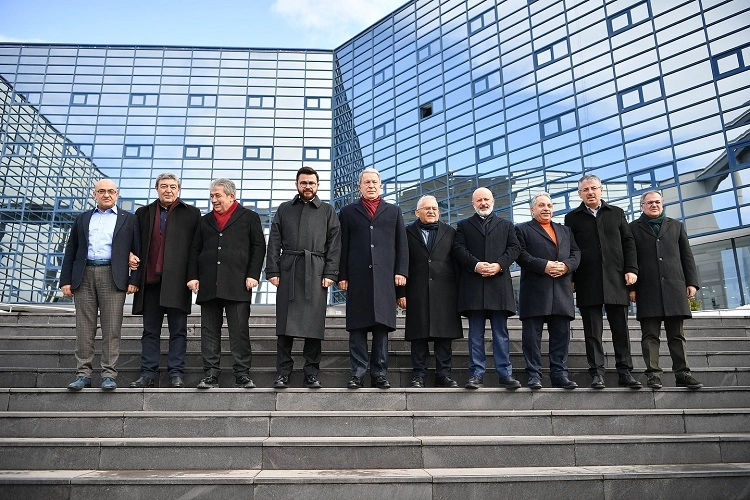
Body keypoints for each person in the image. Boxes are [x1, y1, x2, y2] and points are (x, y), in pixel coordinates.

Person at [265, 166, 341, 389]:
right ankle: (283, 374)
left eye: (311, 183)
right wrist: (273, 270)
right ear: (297, 184)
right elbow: (274, 240)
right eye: (303, 183)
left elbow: (334, 245)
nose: (307, 186)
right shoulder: (284, 208)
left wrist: (330, 273)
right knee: (284, 327)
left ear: (318, 186)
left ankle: (311, 374)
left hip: (316, 272)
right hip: (289, 269)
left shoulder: (327, 210)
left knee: (314, 327)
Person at [61, 179, 140, 391]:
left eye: (111, 191)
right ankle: (83, 374)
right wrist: (65, 280)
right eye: (102, 191)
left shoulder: (130, 220)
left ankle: (108, 374)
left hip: (113, 276)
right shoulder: (83, 218)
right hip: (84, 275)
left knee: (111, 327)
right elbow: (71, 250)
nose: (107, 195)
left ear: (117, 194)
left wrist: (134, 280)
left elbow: (139, 251)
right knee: (84, 328)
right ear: (94, 194)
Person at [564, 174, 641, 389]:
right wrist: (571, 278)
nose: (590, 192)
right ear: (580, 194)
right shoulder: (572, 218)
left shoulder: (616, 213)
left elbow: (628, 242)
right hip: (587, 280)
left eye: (593, 188)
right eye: (585, 189)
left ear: (601, 190)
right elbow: (569, 250)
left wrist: (631, 269)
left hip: (617, 278)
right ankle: (597, 373)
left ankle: (625, 372)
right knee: (592, 331)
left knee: (621, 330)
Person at [187, 178, 266, 389]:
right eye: (212, 196)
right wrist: (193, 276)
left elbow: (259, 248)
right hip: (208, 283)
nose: (213, 199)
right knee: (209, 331)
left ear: (231, 196)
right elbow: (195, 249)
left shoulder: (250, 217)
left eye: (217, 195)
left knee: (239, 331)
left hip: (239, 283)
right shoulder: (204, 221)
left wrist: (253, 275)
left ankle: (242, 374)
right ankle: (211, 374)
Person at [128, 173, 201, 389]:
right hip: (150, 281)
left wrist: (193, 276)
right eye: (163, 186)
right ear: (156, 189)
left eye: (172, 186)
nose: (168, 190)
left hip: (178, 283)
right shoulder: (142, 213)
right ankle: (148, 373)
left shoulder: (192, 214)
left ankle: (176, 373)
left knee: (178, 331)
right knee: (150, 331)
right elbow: (133, 244)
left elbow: (196, 249)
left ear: (179, 189)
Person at [338, 167, 408, 389]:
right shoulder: (348, 212)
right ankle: (357, 373)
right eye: (366, 182)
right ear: (359, 186)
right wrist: (343, 275)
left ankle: (379, 373)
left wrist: (401, 271)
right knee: (357, 328)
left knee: (381, 328)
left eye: (374, 182)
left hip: (385, 278)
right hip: (358, 278)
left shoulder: (393, 211)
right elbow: (342, 246)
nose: (370, 185)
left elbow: (401, 245)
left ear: (381, 186)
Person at [629, 190, 703, 389]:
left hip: (674, 287)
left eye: (658, 202)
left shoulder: (676, 226)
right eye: (650, 202)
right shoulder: (632, 228)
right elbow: (630, 258)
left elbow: (687, 256)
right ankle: (653, 375)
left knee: (677, 335)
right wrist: (632, 288)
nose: (654, 205)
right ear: (642, 206)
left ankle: (683, 374)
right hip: (647, 288)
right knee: (650, 336)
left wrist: (691, 283)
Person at [453, 187, 522, 390]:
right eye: (479, 200)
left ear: (493, 201)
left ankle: (505, 374)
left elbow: (515, 248)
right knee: (475, 335)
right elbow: (458, 249)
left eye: (486, 199)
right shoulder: (463, 226)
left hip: (498, 285)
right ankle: (476, 374)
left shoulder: (507, 225)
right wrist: (476, 265)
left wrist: (499, 265)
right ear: (473, 204)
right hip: (474, 286)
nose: (483, 203)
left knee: (500, 333)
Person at [397, 195, 462, 388]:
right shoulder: (407, 232)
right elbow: (401, 263)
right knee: (419, 336)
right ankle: (419, 375)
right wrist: (401, 292)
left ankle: (444, 375)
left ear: (439, 212)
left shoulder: (450, 232)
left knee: (444, 337)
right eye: (426, 208)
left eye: (434, 208)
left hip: (446, 292)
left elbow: (457, 263)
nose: (431, 211)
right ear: (417, 212)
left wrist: (460, 292)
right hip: (417, 291)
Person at [516, 193, 580, 389]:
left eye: (549, 205)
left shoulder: (565, 230)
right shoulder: (521, 229)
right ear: (532, 210)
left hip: (561, 290)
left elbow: (576, 253)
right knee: (532, 338)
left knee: (561, 335)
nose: (546, 208)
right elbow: (520, 254)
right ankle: (534, 375)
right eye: (541, 205)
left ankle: (559, 374)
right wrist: (544, 265)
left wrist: (566, 266)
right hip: (535, 291)